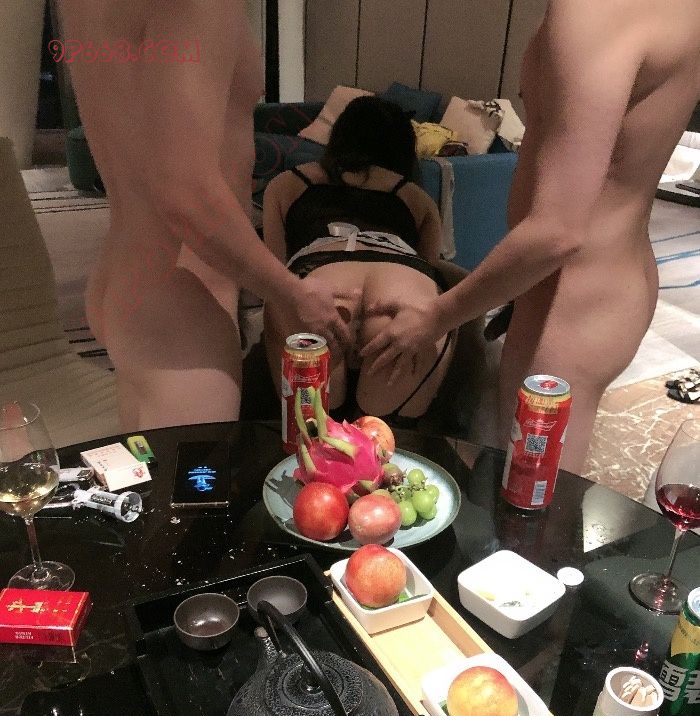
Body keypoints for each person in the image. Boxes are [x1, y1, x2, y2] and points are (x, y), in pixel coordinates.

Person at [361, 0, 700, 472]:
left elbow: (557, 231)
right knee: (528, 489)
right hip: (596, 278)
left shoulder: (594, 11)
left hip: (573, 298)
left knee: (530, 501)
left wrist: (436, 317)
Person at [56, 0, 347, 430]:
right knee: (193, 476)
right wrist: (294, 294)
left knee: (151, 471)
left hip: (131, 282)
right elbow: (185, 195)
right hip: (180, 311)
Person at [262, 96, 454, 418]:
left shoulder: (286, 184)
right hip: (403, 285)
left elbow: (273, 270)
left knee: (309, 434)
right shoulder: (418, 199)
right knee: (391, 440)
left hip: (321, 282)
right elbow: (429, 267)